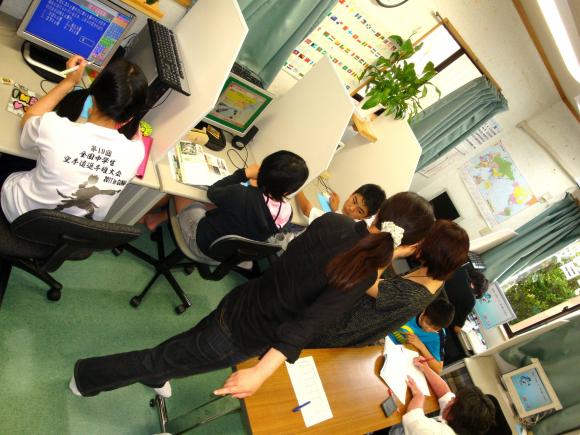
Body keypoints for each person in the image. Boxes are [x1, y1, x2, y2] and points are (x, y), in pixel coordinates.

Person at [69, 192, 435, 399]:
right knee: (162, 357)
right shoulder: (363, 272)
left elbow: (311, 260)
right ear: (411, 244)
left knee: (186, 346)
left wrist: (383, 256)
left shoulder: (334, 222)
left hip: (244, 300)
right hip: (246, 334)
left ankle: (156, 375)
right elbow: (308, 324)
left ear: (380, 212)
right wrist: (259, 373)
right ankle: (87, 376)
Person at [0, 55, 148, 223]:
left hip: (18, 214)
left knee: (13, 155)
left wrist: (69, 81)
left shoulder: (55, 128)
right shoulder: (137, 152)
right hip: (64, 234)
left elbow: (30, 117)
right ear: (129, 119)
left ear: (91, 99)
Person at [310, 220, 469, 349]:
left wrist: (394, 253)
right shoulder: (434, 276)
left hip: (340, 329)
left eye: (426, 239)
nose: (421, 240)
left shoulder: (414, 293)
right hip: (347, 320)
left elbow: (367, 283)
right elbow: (388, 284)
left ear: (435, 251)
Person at [143, 150, 309, 263]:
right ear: (288, 191)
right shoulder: (287, 213)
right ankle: (155, 220)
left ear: (262, 170)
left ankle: (145, 215)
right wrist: (257, 187)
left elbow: (213, 192)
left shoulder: (241, 194)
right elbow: (257, 209)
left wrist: (244, 173)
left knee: (183, 187)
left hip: (201, 242)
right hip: (226, 255)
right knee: (216, 205)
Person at [395, 357, 496, 435]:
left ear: (452, 416)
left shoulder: (432, 432)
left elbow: (413, 417)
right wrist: (425, 368)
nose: (451, 398)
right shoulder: (459, 422)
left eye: (454, 400)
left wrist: (419, 396)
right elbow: (445, 392)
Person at [389, 298, 455, 373]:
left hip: (397, 355)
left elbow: (438, 369)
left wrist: (421, 346)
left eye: (435, 328)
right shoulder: (413, 306)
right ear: (424, 311)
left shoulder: (438, 335)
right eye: (427, 323)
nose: (428, 329)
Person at [295, 183, 386, 224]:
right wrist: (335, 210)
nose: (351, 208)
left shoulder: (340, 223)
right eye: (354, 201)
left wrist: (297, 185)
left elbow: (306, 209)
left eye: (359, 211)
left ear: (365, 217)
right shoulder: (353, 224)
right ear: (352, 193)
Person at [445, 268, 489, 333]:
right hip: (438, 315)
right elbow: (456, 328)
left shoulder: (462, 271)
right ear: (479, 293)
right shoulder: (471, 300)